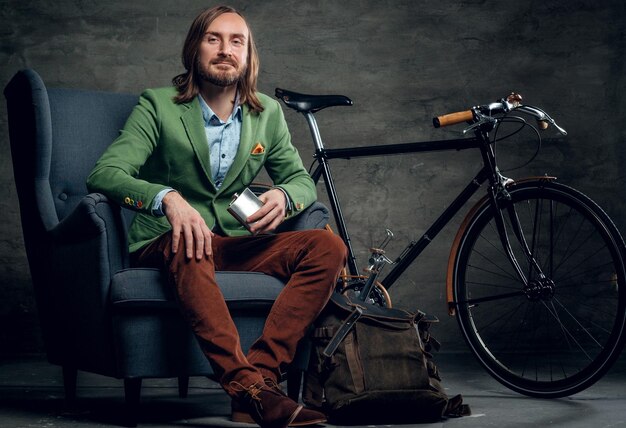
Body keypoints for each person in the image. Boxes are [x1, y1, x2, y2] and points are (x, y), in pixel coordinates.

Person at [86, 5, 347, 428]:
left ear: (247, 56)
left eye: (236, 41)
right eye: (214, 39)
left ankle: (260, 380)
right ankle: (247, 388)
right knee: (191, 241)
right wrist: (167, 199)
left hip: (232, 240)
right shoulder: (158, 105)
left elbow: (301, 180)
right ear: (195, 49)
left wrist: (283, 194)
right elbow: (105, 174)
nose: (226, 50)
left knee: (327, 246)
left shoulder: (267, 113)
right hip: (169, 240)